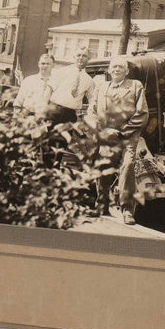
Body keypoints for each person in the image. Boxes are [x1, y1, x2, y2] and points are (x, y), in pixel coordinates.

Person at [89, 57, 148, 224]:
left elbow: (142, 113)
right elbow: (92, 112)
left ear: (127, 71)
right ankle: (102, 205)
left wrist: (123, 132)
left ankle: (127, 211)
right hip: (106, 135)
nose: (116, 69)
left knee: (127, 166)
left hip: (128, 137)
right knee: (103, 166)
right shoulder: (101, 88)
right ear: (109, 70)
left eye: (121, 67)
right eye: (114, 67)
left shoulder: (135, 86)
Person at [46, 48, 95, 124]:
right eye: (78, 55)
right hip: (54, 111)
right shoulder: (62, 71)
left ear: (88, 59)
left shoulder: (89, 80)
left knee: (67, 136)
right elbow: (49, 89)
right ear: (74, 57)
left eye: (84, 56)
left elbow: (92, 99)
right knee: (49, 135)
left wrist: (90, 116)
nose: (81, 58)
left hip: (70, 115)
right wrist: (42, 109)